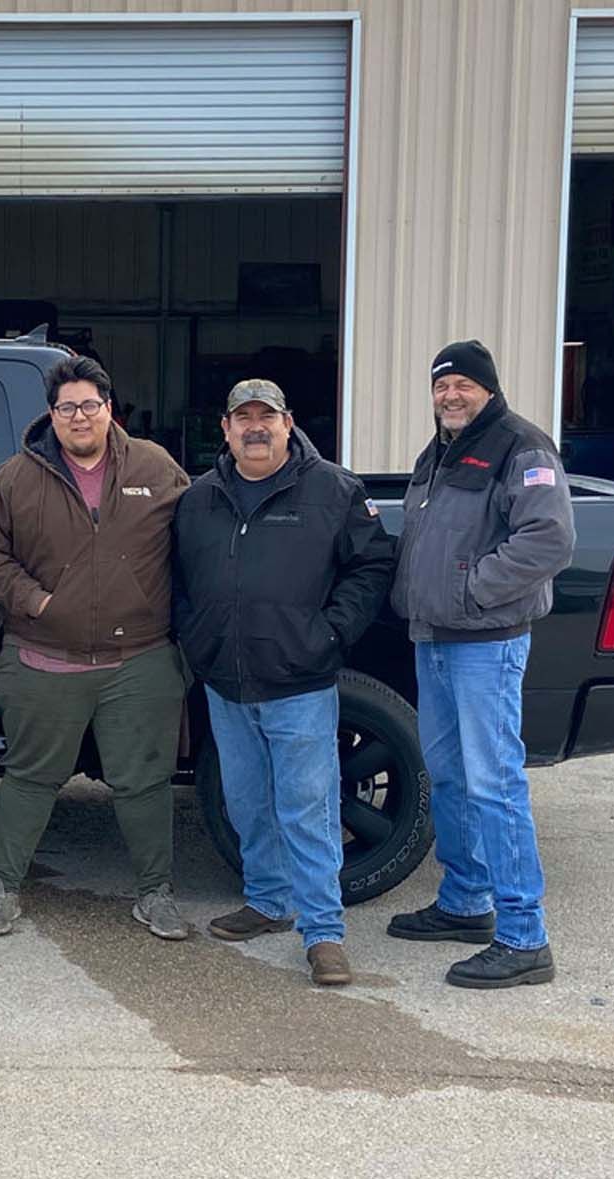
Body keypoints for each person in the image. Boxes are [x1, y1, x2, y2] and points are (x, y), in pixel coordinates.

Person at [172, 379, 394, 986]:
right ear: (225, 429)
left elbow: (372, 563)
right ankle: (268, 901)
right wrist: (198, 639)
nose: (254, 428)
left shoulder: (332, 491)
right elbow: (179, 582)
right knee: (245, 800)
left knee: (308, 808)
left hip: (300, 682)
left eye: (265, 417)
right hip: (226, 683)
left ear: (287, 423)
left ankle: (323, 932)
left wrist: (330, 633)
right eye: (242, 418)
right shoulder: (198, 500)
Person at [0, 355, 192, 940]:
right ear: (52, 415)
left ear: (109, 409)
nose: (79, 416)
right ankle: (3, 887)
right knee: (29, 778)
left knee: (144, 783)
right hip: (43, 657)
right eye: (67, 407)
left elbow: (197, 538)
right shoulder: (17, 476)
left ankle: (155, 893)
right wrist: (37, 602)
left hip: (138, 660)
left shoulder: (156, 466)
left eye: (90, 404)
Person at [386, 340, 575, 988]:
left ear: (489, 388)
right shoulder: (437, 454)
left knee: (495, 784)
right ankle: (467, 903)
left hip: (486, 643)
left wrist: (473, 588)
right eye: (442, 386)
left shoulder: (521, 447)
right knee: (450, 776)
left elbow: (549, 537)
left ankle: (525, 937)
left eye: (463, 384)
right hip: (433, 639)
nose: (450, 395)